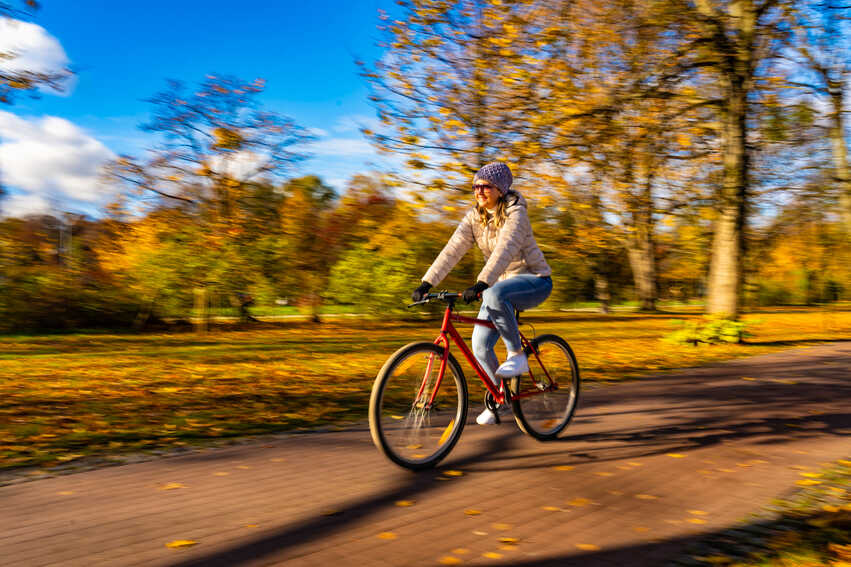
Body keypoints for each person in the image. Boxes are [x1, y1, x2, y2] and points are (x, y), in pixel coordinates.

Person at [411, 162, 552, 425]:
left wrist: (481, 283)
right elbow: (451, 250)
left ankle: (516, 356)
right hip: (496, 286)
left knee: (493, 294)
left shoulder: (516, 213)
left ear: (499, 189)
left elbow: (505, 250)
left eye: (485, 186)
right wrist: (426, 283)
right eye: (475, 186)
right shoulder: (475, 217)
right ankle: (501, 397)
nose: (479, 191)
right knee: (479, 345)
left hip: (535, 280)